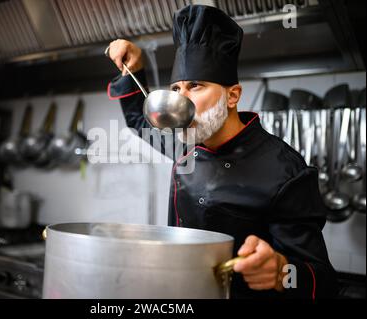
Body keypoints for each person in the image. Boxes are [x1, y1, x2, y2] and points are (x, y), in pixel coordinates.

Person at [106, 4, 338, 299]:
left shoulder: (285, 171)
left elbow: (325, 282)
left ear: (233, 96)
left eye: (195, 86)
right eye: (176, 89)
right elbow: (141, 121)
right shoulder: (189, 147)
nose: (182, 101)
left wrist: (282, 271)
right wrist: (133, 69)